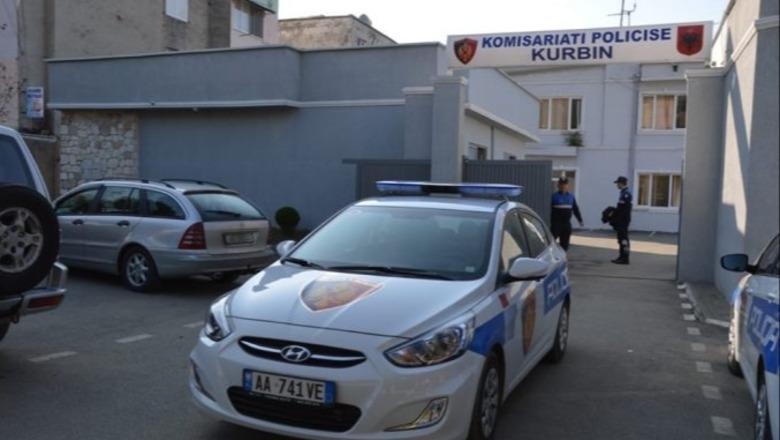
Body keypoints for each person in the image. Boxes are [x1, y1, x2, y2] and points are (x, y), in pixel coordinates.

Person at [550, 177, 583, 251]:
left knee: (565, 245)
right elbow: (548, 209)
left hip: (566, 224)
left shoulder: (571, 197)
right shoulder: (554, 196)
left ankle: (563, 255)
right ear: (558, 185)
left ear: (568, 185)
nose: (563, 186)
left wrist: (580, 220)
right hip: (556, 224)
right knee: (551, 243)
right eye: (561, 184)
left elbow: (575, 209)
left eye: (565, 184)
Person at [610, 176, 633, 264]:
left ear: (621, 183)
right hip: (621, 220)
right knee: (621, 239)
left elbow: (624, 210)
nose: (617, 185)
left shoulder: (626, 194)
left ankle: (625, 258)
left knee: (624, 239)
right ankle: (621, 256)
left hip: (623, 220)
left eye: (618, 183)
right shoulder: (623, 193)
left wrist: (618, 219)